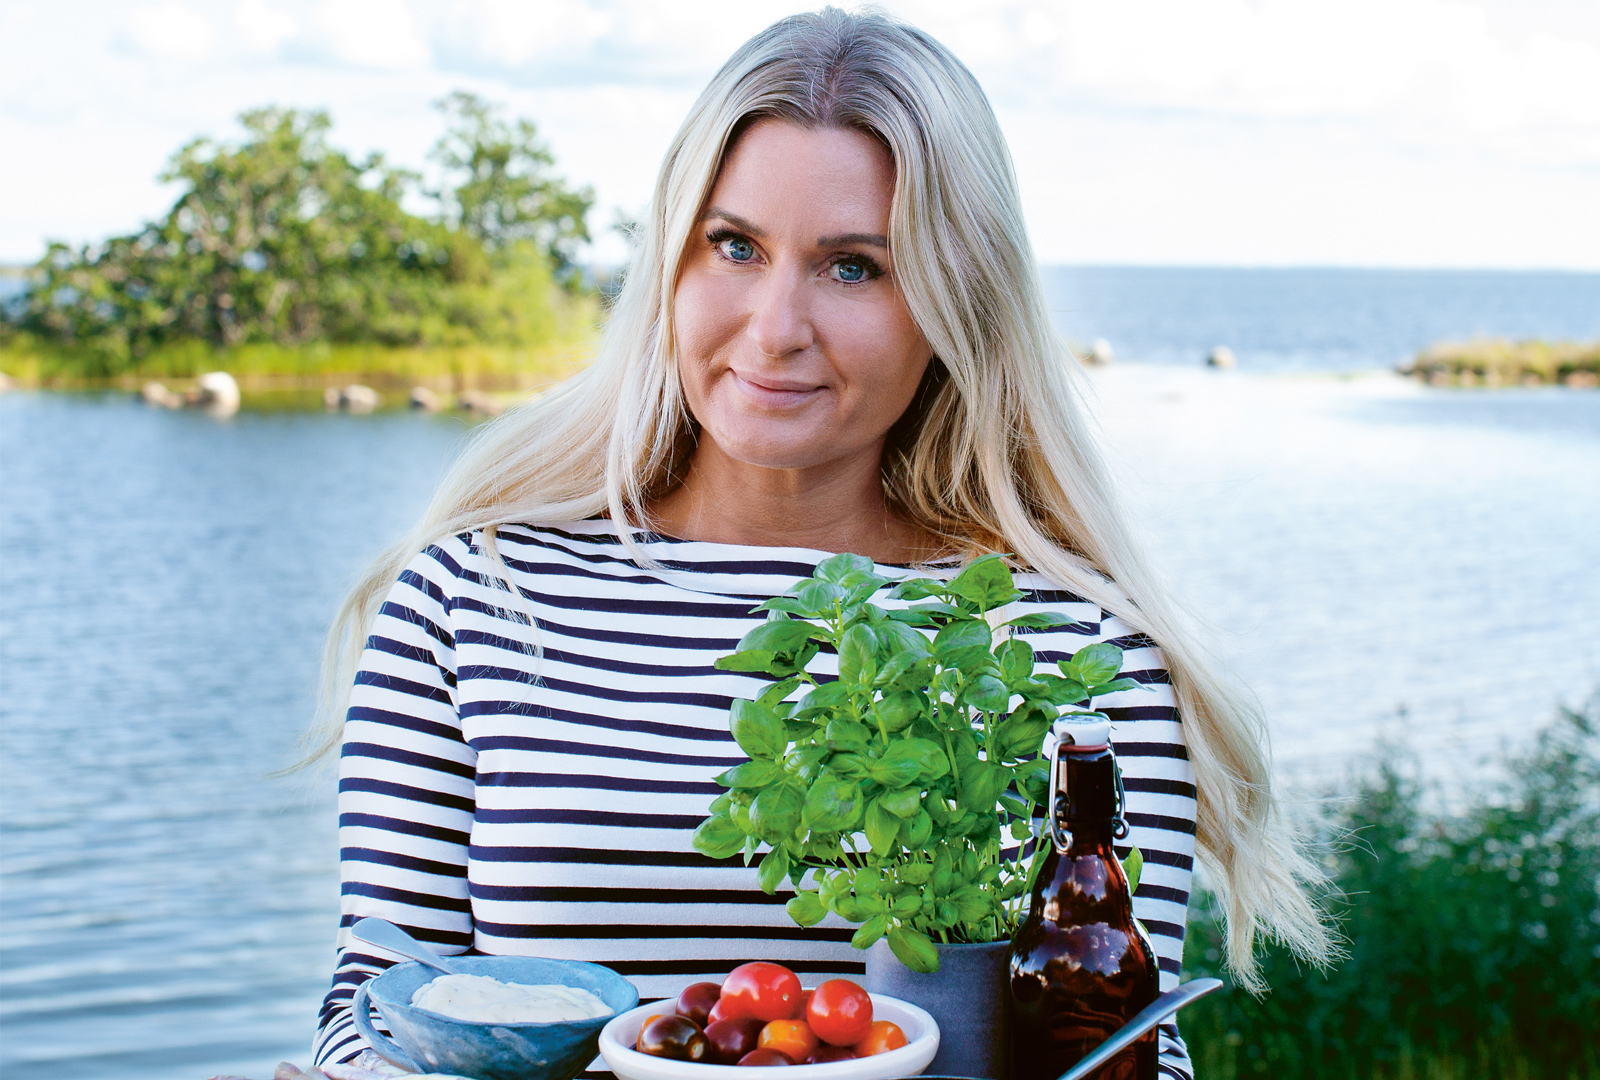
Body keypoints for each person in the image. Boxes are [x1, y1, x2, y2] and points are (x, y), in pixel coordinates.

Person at [307, 9, 1334, 1075]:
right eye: (734, 247)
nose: (773, 327)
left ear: (954, 303)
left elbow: (1129, 1053)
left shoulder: (1083, 651)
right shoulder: (472, 596)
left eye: (852, 268)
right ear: (669, 262)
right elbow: (369, 1013)